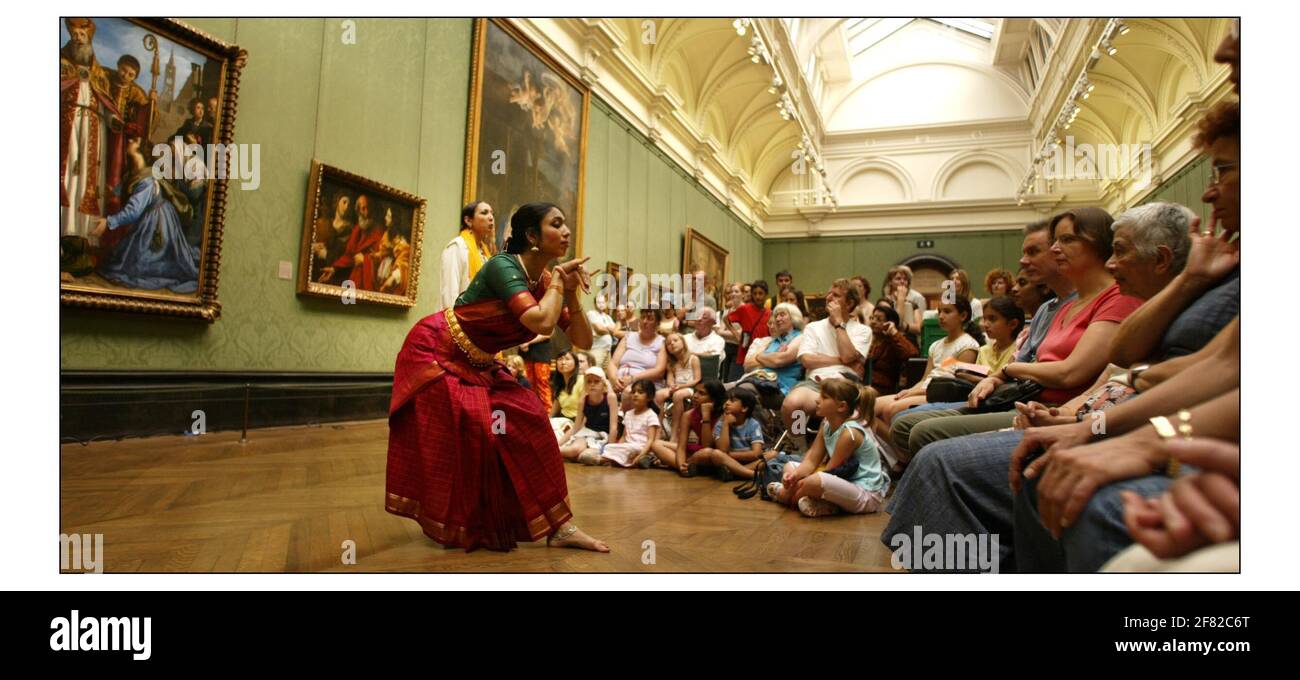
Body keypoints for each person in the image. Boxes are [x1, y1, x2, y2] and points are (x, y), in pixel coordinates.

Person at [385, 201, 608, 553]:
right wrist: (556, 287)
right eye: (557, 224)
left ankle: (561, 527)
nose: (566, 231)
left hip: (481, 362)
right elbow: (540, 322)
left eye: (566, 225)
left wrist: (568, 294)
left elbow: (582, 340)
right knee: (475, 431)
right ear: (533, 236)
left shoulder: (546, 280)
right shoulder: (503, 266)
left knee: (534, 420)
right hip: (438, 352)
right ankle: (469, 522)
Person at [91, 131, 199, 293]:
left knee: (138, 264)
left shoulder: (147, 180)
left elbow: (133, 211)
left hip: (158, 221)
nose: (129, 141)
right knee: (124, 260)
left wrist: (109, 222)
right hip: (149, 218)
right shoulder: (134, 173)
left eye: (134, 141)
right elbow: (123, 189)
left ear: (140, 151)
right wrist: (109, 193)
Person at [766, 379, 889, 517]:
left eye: (823, 397)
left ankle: (786, 495)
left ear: (842, 406)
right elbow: (812, 460)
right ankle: (815, 498)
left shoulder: (850, 433)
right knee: (790, 466)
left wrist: (796, 485)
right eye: (820, 395)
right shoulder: (826, 423)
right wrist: (794, 476)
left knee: (814, 481)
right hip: (841, 480)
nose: (817, 400)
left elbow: (831, 472)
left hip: (863, 490)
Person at [780, 279, 872, 434]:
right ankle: (799, 442)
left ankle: (830, 449)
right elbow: (807, 360)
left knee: (834, 408)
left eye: (836, 296)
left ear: (849, 304)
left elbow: (848, 356)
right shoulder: (813, 327)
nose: (829, 298)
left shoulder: (863, 330)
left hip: (845, 385)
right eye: (829, 293)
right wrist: (840, 360)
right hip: (815, 384)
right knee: (792, 405)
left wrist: (838, 324)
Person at [873, 297, 982, 426]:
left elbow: (955, 385)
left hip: (943, 395)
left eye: (947, 312)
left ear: (963, 316)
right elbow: (925, 379)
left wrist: (914, 392)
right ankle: (889, 446)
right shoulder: (935, 345)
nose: (941, 316)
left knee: (890, 410)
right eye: (939, 311)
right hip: (925, 390)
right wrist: (909, 391)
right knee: (871, 407)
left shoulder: (968, 345)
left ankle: (904, 445)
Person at [651, 380, 726, 475]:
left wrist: (706, 415)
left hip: (713, 453)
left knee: (707, 452)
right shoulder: (688, 415)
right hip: (696, 452)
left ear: (714, 399)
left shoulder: (722, 416)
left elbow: (708, 445)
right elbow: (681, 447)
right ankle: (689, 468)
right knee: (656, 444)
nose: (695, 396)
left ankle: (688, 466)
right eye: (695, 391)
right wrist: (681, 465)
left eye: (701, 393)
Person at [686, 389, 764, 481]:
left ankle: (735, 472)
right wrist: (726, 424)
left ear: (744, 408)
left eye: (732, 400)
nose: (727, 403)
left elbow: (756, 454)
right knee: (715, 454)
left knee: (772, 455)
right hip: (725, 461)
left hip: (746, 461)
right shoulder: (721, 423)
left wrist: (728, 455)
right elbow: (723, 450)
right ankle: (750, 474)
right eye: (727, 400)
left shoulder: (753, 424)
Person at [608, 308, 668, 409]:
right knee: (597, 385)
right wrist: (614, 380)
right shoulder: (628, 337)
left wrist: (633, 379)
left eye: (649, 319)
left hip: (645, 384)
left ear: (657, 323)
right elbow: (613, 363)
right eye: (643, 317)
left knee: (629, 391)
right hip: (620, 381)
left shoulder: (662, 342)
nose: (645, 321)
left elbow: (659, 371)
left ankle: (624, 422)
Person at [439, 201, 495, 309]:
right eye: (484, 213)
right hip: (458, 319)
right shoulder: (457, 246)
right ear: (468, 220)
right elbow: (449, 294)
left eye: (492, 213)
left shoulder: (485, 252)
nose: (491, 217)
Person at [560, 367, 620, 466]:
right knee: (574, 450)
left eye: (596, 381)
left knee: (584, 456)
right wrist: (558, 444)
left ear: (603, 384)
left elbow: (613, 428)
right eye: (589, 381)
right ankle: (549, 452)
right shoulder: (583, 400)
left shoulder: (610, 397)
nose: (592, 384)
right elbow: (576, 427)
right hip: (586, 433)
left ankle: (584, 457)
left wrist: (609, 450)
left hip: (603, 437)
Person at [743, 303, 805, 397]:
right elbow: (747, 365)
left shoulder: (800, 337)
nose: (778, 319)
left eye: (782, 315)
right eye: (776, 316)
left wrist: (759, 356)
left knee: (742, 391)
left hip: (779, 387)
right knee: (719, 389)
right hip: (758, 380)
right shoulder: (774, 341)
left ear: (793, 318)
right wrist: (771, 358)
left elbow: (778, 360)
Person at [600, 379, 661, 468]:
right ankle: (626, 460)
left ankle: (641, 458)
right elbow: (624, 436)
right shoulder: (628, 414)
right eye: (633, 392)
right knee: (608, 446)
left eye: (640, 392)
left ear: (649, 397)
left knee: (628, 450)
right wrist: (617, 446)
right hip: (628, 446)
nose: (635, 395)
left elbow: (651, 440)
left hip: (641, 447)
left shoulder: (651, 415)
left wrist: (641, 454)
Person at [866, 304, 918, 395]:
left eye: (878, 319)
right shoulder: (866, 338)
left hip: (883, 389)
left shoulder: (893, 342)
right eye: (872, 318)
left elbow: (912, 354)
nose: (873, 322)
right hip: (863, 383)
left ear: (889, 323)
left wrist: (894, 332)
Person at [658, 332, 701, 420]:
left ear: (683, 342)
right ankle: (659, 427)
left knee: (678, 395)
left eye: (675, 340)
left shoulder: (693, 359)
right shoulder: (671, 364)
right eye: (668, 344)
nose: (672, 344)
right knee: (659, 394)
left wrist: (681, 386)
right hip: (676, 388)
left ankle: (675, 427)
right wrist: (671, 385)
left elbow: (697, 379)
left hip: (690, 388)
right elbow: (670, 380)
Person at [883, 265, 926, 339]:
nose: (902, 281)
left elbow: (920, 328)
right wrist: (900, 300)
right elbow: (898, 322)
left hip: (910, 342)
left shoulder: (914, 302)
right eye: (898, 279)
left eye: (905, 279)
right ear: (890, 282)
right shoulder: (884, 302)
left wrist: (905, 326)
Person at [549, 350, 584, 439]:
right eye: (560, 359)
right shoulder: (559, 386)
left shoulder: (582, 380)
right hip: (562, 420)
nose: (563, 362)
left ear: (576, 363)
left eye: (567, 359)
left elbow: (586, 412)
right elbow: (552, 413)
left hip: (577, 422)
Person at [585, 293, 619, 368]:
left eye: (603, 302)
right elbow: (599, 329)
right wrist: (609, 329)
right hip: (597, 349)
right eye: (598, 302)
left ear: (606, 303)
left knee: (605, 375)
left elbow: (615, 331)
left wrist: (606, 328)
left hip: (608, 350)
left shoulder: (608, 317)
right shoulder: (591, 313)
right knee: (595, 371)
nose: (601, 304)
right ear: (594, 304)